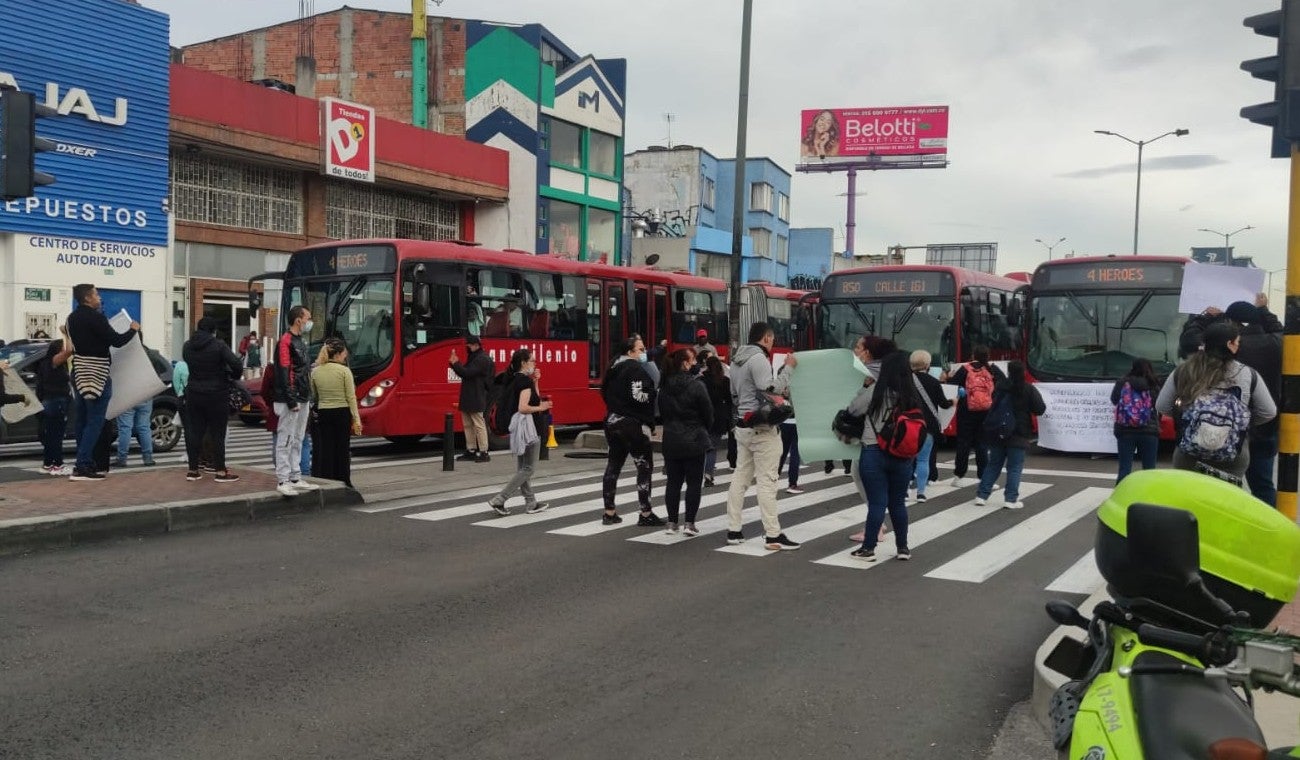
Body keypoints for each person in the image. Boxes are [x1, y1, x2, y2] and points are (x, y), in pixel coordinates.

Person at [1156, 321, 1276, 486]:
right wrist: (1240, 423)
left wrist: (1187, 419)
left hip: (1189, 453)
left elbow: (1162, 406)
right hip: (1233, 454)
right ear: (1229, 344)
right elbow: (1269, 411)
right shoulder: (1247, 374)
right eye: (1237, 342)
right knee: (1224, 503)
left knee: (1188, 499)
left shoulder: (1183, 370)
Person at [724, 322, 801, 551]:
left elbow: (735, 394)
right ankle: (772, 535)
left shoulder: (737, 360)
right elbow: (771, 389)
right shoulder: (758, 359)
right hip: (762, 428)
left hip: (743, 425)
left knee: (740, 478)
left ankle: (734, 530)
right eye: (772, 339)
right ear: (767, 338)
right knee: (767, 481)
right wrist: (788, 369)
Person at [845, 351, 919, 561]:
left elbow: (853, 409)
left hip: (874, 451)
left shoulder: (877, 390)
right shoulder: (911, 394)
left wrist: (865, 386)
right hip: (903, 454)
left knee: (877, 503)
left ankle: (868, 548)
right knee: (898, 503)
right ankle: (903, 548)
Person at [65, 283, 139, 481]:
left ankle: (83, 462)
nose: (99, 298)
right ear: (88, 298)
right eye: (96, 294)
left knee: (81, 420)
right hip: (98, 372)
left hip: (79, 372)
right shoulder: (97, 318)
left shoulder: (71, 318)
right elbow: (116, 340)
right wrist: (133, 330)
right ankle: (83, 465)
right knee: (95, 421)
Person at [600, 336, 666, 526]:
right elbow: (639, 396)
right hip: (632, 424)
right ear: (630, 352)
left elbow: (604, 393)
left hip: (612, 420)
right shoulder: (634, 369)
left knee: (613, 466)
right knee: (644, 467)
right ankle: (645, 513)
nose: (644, 353)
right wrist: (653, 394)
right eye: (641, 349)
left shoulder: (612, 368)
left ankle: (609, 512)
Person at [1226, 299, 1283, 505]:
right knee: (1263, 485)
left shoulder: (1231, 347)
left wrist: (1204, 317)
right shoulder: (1278, 343)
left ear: (1234, 323)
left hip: (1231, 426)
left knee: (1227, 484)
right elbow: (1279, 329)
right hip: (1267, 425)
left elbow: (1191, 341)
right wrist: (1264, 310)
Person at [487, 348, 552, 515]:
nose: (535, 364)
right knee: (529, 468)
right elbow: (523, 407)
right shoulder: (524, 382)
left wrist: (536, 381)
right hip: (529, 429)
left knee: (523, 469)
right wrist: (542, 407)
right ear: (524, 363)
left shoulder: (514, 379)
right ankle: (499, 499)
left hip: (519, 429)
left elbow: (533, 397)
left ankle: (531, 503)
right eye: (532, 361)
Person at [974, 361, 1045, 509]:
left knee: (993, 465)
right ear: (1023, 372)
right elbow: (1040, 409)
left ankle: (982, 495)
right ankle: (1010, 499)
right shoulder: (1028, 389)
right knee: (1014, 467)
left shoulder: (1000, 387)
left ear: (1009, 372)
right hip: (1019, 432)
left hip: (998, 431)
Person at [658, 347, 713, 535]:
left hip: (671, 439)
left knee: (673, 482)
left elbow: (662, 414)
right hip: (694, 439)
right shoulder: (697, 385)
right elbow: (708, 413)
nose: (696, 362)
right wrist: (704, 427)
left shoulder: (664, 386)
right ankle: (689, 523)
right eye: (693, 359)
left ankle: (671, 522)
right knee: (694, 483)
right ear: (685, 363)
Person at [182, 316, 242, 483]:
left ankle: (193, 470)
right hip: (217, 393)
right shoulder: (219, 345)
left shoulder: (187, 346)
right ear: (213, 331)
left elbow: (189, 363)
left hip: (194, 392)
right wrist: (231, 375)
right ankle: (221, 471)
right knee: (217, 434)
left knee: (195, 432)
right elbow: (236, 364)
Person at [273, 305, 319, 497]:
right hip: (291, 398)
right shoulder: (286, 341)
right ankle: (283, 478)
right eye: (307, 317)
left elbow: (300, 370)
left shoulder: (299, 341)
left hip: (302, 395)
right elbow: (284, 371)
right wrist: (291, 400)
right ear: (298, 319)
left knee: (298, 437)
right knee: (286, 437)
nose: (310, 321)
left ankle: (295, 475)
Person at [945, 345, 1006, 487]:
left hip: (966, 411)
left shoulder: (965, 369)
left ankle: (959, 476)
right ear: (988, 356)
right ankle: (983, 476)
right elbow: (1004, 383)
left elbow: (952, 385)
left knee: (963, 443)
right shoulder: (992, 369)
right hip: (986, 412)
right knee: (982, 444)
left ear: (973, 355)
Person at [310, 337, 362, 488]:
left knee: (327, 447)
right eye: (344, 353)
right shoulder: (344, 371)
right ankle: (344, 479)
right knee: (342, 448)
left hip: (324, 412)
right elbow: (351, 397)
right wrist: (356, 419)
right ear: (338, 354)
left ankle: (328, 478)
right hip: (342, 413)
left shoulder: (316, 372)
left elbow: (315, 395)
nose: (345, 356)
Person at [910, 350, 952, 503]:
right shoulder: (934, 382)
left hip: (908, 425)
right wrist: (954, 401)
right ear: (927, 365)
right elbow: (943, 404)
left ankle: (905, 491)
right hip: (927, 426)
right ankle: (921, 492)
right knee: (923, 460)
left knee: (907, 459)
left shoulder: (904, 381)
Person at [1111, 358, 1161, 483]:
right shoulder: (1153, 384)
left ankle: (1121, 497)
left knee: (1124, 468)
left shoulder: (1122, 382)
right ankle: (1147, 497)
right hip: (1149, 431)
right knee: (1149, 470)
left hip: (1125, 430)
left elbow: (1114, 400)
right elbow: (1159, 405)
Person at [449, 334, 495, 463]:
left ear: (476, 345)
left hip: (476, 396)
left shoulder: (482, 359)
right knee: (468, 425)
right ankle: (471, 450)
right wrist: (454, 364)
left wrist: (455, 363)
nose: (467, 348)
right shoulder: (475, 357)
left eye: (469, 346)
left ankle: (484, 452)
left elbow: (467, 373)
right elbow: (465, 373)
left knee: (478, 424)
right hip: (469, 395)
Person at [35, 334, 74, 475]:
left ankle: (47, 463)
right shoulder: (54, 361)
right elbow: (69, 351)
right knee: (57, 436)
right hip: (56, 402)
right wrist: (67, 334)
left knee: (50, 435)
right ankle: (57, 464)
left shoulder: (45, 364)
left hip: (49, 401)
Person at [700, 354, 733, 487]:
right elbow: (730, 401)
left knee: (702, 447)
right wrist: (729, 419)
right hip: (719, 417)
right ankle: (708, 475)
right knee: (712, 448)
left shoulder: (702, 380)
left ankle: (698, 471)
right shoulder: (724, 380)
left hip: (704, 416)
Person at [114, 398, 155, 468]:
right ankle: (148, 458)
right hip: (146, 396)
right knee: (144, 427)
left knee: (125, 428)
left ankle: (121, 459)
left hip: (127, 398)